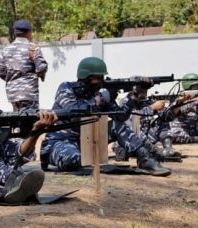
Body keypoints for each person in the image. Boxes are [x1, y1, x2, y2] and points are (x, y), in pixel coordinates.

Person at [39, 57, 170, 175]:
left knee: (116, 126)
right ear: (87, 77)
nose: (101, 81)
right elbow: (74, 111)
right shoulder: (66, 88)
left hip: (87, 140)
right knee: (74, 160)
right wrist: (98, 100)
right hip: (60, 141)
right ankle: (64, 157)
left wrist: (134, 97)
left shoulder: (99, 94)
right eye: (98, 78)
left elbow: (121, 117)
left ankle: (144, 158)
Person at [0, 19, 48, 112]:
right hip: (29, 93)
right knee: (29, 122)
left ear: (15, 33)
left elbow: (0, 71)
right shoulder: (33, 48)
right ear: (29, 32)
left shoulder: (6, 50)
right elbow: (41, 68)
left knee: (18, 119)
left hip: (12, 94)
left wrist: (13, 79)